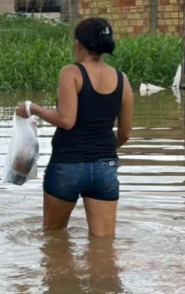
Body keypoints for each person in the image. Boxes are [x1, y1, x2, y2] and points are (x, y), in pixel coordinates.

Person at [16, 17, 133, 237]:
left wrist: (34, 108)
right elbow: (125, 133)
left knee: (53, 236)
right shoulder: (122, 79)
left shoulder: (71, 72)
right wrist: (101, 152)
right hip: (105, 167)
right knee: (103, 242)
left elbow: (67, 120)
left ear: (78, 44)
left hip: (68, 165)